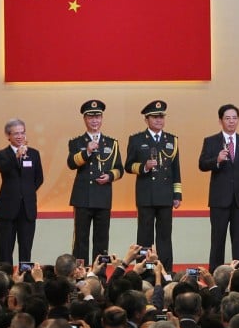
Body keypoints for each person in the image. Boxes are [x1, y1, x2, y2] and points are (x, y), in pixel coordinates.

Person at [125, 100, 181, 271]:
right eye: (155, 117)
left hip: (165, 196)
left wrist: (177, 194)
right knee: (144, 236)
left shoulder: (172, 140)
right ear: (146, 119)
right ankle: (144, 271)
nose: (159, 120)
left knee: (165, 237)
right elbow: (128, 166)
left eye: (161, 117)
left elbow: (176, 170)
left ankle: (165, 271)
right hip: (146, 195)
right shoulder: (137, 139)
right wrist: (144, 167)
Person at [198, 104, 239, 269]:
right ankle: (215, 274)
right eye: (228, 118)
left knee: (238, 239)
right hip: (219, 199)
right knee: (218, 239)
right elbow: (202, 164)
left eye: (235, 118)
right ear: (220, 121)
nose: (231, 122)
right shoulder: (211, 141)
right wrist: (216, 160)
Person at [67, 100, 123, 264]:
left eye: (97, 116)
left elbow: (120, 168)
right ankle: (80, 273)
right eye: (91, 117)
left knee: (101, 240)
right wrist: (87, 151)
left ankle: (100, 275)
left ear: (102, 118)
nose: (94, 120)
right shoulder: (76, 142)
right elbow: (71, 163)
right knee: (81, 240)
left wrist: (110, 176)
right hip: (82, 197)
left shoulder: (112, 143)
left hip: (103, 197)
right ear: (85, 119)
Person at [0, 118, 44, 263]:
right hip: (7, 207)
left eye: (22, 133)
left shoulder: (34, 154)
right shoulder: (2, 154)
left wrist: (27, 193)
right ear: (8, 135)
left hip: (27, 208)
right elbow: (4, 169)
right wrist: (17, 156)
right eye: (16, 134)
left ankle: (25, 277)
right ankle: (5, 278)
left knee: (26, 247)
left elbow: (39, 178)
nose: (20, 136)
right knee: (6, 248)